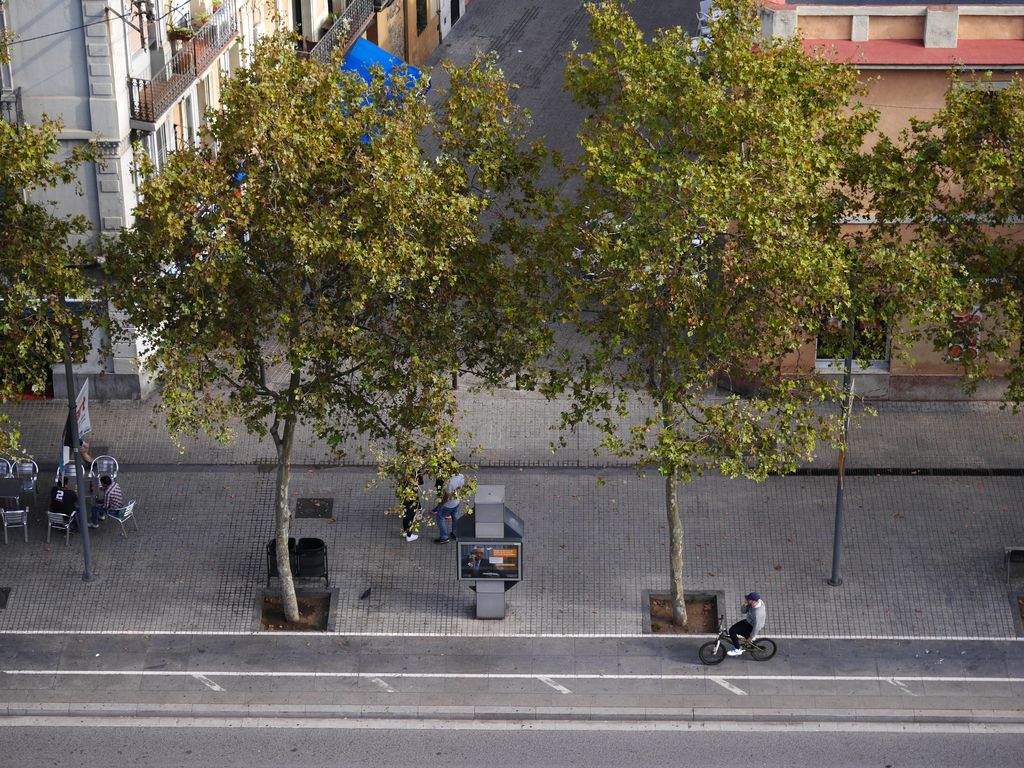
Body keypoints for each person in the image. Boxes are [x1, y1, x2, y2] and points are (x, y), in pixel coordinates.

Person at [432, 471, 465, 543]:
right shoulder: (461, 476)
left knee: (440, 517)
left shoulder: (449, 482)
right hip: (456, 502)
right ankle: (455, 533)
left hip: (448, 505)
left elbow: (446, 496)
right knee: (455, 515)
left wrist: (440, 504)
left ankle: (444, 537)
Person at [400, 474, 424, 542]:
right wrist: (419, 507)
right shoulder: (414, 485)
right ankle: (409, 536)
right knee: (410, 519)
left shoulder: (405, 480)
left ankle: (405, 532)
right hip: (410, 505)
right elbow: (415, 497)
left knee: (405, 517)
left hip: (404, 503)